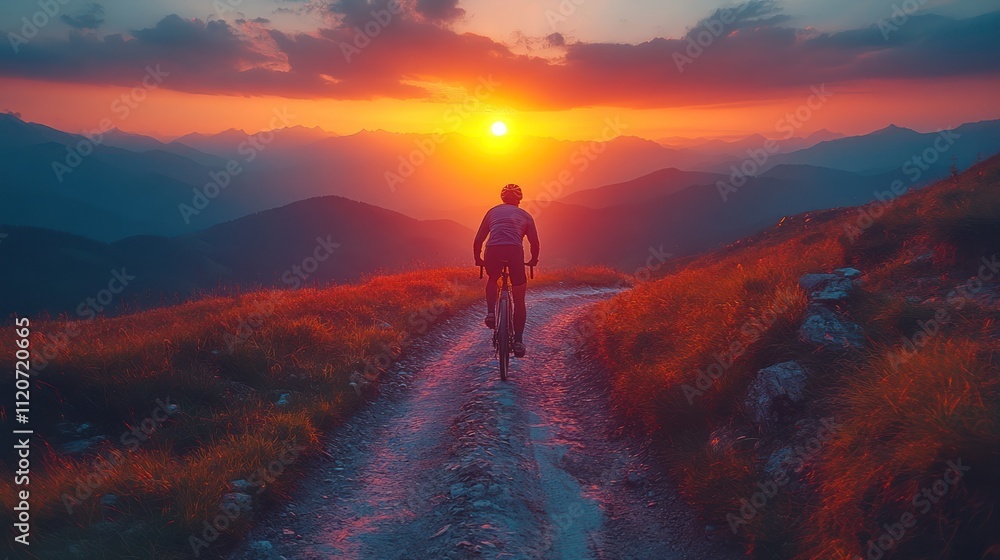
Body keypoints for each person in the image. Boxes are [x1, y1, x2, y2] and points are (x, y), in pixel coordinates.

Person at [473, 184, 540, 358]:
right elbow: (534, 242)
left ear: (502, 199)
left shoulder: (492, 212)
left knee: (492, 279)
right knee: (519, 299)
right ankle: (518, 340)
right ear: (519, 199)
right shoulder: (526, 216)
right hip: (514, 252)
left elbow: (478, 239)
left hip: (493, 250)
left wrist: (477, 258)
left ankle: (490, 313)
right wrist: (533, 260)